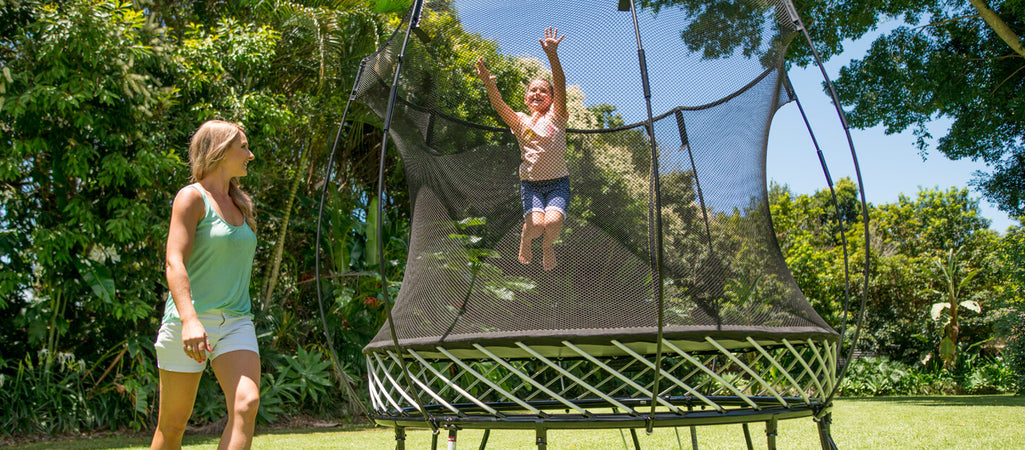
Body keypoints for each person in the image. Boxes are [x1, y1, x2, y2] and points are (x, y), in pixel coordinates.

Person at [151, 120, 260, 450]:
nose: (250, 155)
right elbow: (174, 262)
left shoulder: (241, 205)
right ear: (220, 151)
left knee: (246, 404)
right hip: (189, 322)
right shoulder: (191, 198)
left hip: (236, 323)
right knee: (172, 426)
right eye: (242, 146)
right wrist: (189, 319)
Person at [476, 27, 569, 271]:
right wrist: (489, 84)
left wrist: (552, 55)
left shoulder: (557, 116)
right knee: (536, 227)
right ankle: (525, 239)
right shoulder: (520, 121)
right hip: (531, 184)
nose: (538, 92)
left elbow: (560, 85)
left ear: (551, 98)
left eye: (544, 90)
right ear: (527, 98)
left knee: (554, 222)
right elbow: (499, 106)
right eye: (533, 90)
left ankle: (547, 247)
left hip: (558, 182)